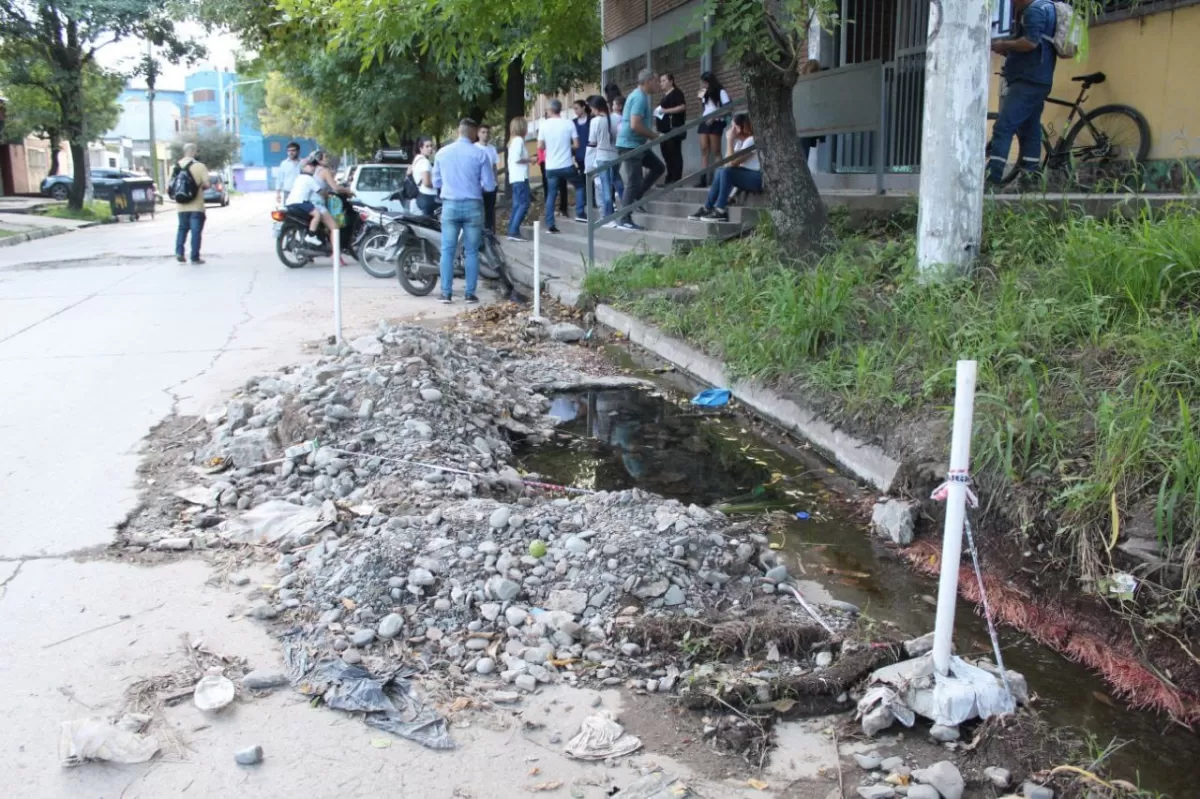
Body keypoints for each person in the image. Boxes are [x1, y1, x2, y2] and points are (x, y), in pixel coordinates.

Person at [987, 0, 1059, 186]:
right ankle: (1029, 178)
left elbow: (1031, 43)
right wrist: (1009, 50)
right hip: (1040, 78)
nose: (1011, 3)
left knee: (1003, 127)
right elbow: (1038, 44)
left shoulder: (1033, 11)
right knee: (1030, 130)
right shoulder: (1046, 7)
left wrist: (1004, 44)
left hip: (1027, 79)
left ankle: (992, 180)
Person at [432, 118, 495, 304]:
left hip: (450, 205)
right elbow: (490, 186)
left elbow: (435, 182)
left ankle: (446, 293)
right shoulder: (480, 154)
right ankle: (469, 294)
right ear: (474, 132)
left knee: (448, 250)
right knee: (472, 251)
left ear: (459, 131)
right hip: (473, 206)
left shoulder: (442, 153)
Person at [615, 67, 665, 231]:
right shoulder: (639, 98)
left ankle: (636, 198)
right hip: (630, 145)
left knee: (658, 167)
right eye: (657, 81)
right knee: (633, 181)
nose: (658, 85)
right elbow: (635, 124)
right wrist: (654, 136)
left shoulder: (639, 95)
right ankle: (624, 218)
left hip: (636, 144)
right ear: (649, 81)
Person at [687, 112, 759, 222]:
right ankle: (707, 207)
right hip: (746, 176)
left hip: (757, 178)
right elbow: (726, 163)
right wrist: (731, 142)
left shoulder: (751, 140)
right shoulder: (739, 143)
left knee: (726, 172)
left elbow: (731, 164)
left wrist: (729, 140)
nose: (730, 129)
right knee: (721, 170)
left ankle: (720, 210)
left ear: (740, 128)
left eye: (733, 126)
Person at [537, 99, 582, 233]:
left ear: (550, 110)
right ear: (560, 110)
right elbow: (577, 145)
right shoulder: (569, 123)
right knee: (579, 186)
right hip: (567, 164)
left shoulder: (544, 125)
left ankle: (550, 224)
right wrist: (567, 147)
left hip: (551, 167)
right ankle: (580, 213)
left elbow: (540, 146)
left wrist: (548, 147)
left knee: (551, 194)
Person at [173, 143, 210, 264]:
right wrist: (198, 188)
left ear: (184, 152)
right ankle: (194, 257)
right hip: (196, 206)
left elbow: (170, 187)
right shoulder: (200, 166)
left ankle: (179, 252)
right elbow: (207, 185)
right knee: (195, 231)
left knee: (182, 229)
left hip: (181, 206)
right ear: (194, 152)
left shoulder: (176, 166)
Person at [286, 161, 339, 246]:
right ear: (303, 168)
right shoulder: (309, 179)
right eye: (310, 166)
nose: (313, 167)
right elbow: (320, 191)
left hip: (289, 202)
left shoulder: (298, 177)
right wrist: (328, 195)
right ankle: (311, 235)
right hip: (301, 202)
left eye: (313, 166)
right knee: (317, 214)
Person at [587, 95, 619, 226]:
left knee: (605, 188)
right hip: (615, 155)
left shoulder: (596, 121)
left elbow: (592, 141)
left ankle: (608, 216)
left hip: (602, 156)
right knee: (612, 185)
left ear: (595, 108)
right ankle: (614, 213)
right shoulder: (614, 119)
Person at [697, 71, 731, 188]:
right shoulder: (703, 92)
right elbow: (703, 106)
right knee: (704, 150)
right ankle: (703, 179)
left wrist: (715, 117)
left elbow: (728, 109)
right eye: (702, 83)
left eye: (705, 83)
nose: (703, 85)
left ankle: (719, 178)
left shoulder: (721, 92)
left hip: (716, 122)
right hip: (704, 121)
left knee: (716, 151)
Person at [656, 73, 687, 184]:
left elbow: (682, 107)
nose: (661, 83)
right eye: (661, 81)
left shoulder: (676, 93)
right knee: (666, 154)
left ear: (671, 81)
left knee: (674, 153)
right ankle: (669, 178)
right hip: (663, 130)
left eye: (664, 80)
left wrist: (665, 111)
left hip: (673, 128)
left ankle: (676, 178)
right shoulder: (664, 95)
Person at [506, 117, 532, 241]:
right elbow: (517, 159)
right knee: (524, 204)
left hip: (516, 177)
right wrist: (530, 160)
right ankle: (514, 231)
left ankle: (511, 229)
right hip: (521, 177)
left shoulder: (513, 141)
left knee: (517, 204)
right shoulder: (519, 141)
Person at [476, 124, 500, 232]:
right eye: (483, 132)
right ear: (478, 134)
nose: (486, 135)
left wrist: (496, 181)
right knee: (480, 210)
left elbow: (494, 166)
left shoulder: (492, 149)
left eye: (487, 132)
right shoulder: (474, 148)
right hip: (479, 185)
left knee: (490, 210)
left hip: (491, 185)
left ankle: (489, 231)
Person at [571, 100, 592, 220]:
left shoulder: (591, 121)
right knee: (583, 181)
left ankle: (592, 200)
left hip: (590, 154)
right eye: (574, 109)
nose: (576, 111)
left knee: (592, 179)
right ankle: (584, 202)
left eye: (577, 108)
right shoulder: (573, 123)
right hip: (579, 156)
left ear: (584, 107)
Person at [409, 138, 438, 216]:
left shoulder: (416, 160)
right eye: (427, 146)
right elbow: (427, 182)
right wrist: (438, 184)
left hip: (421, 196)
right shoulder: (425, 162)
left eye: (431, 146)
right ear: (421, 148)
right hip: (428, 197)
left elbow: (409, 172)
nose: (430, 148)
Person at [274, 141, 302, 207]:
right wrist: (278, 194)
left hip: (302, 192)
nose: (290, 153)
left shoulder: (303, 163)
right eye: (289, 151)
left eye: (293, 150)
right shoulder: (284, 164)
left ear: (298, 151)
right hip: (288, 192)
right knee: (288, 213)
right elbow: (279, 179)